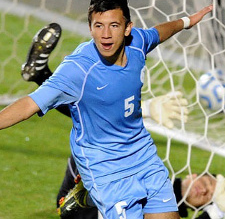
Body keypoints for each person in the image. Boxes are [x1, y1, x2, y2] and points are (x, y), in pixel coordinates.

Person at [0, 0, 213, 219]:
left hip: (142, 156)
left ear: (127, 27)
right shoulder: (78, 68)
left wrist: (186, 22)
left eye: (113, 25)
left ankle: (87, 199)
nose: (106, 35)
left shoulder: (137, 43)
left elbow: (157, 33)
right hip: (105, 169)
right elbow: (29, 104)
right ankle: (87, 196)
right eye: (98, 26)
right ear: (90, 28)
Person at [21, 22, 189, 219]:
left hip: (83, 204)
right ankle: (41, 75)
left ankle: (41, 75)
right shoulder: (129, 48)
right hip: (96, 176)